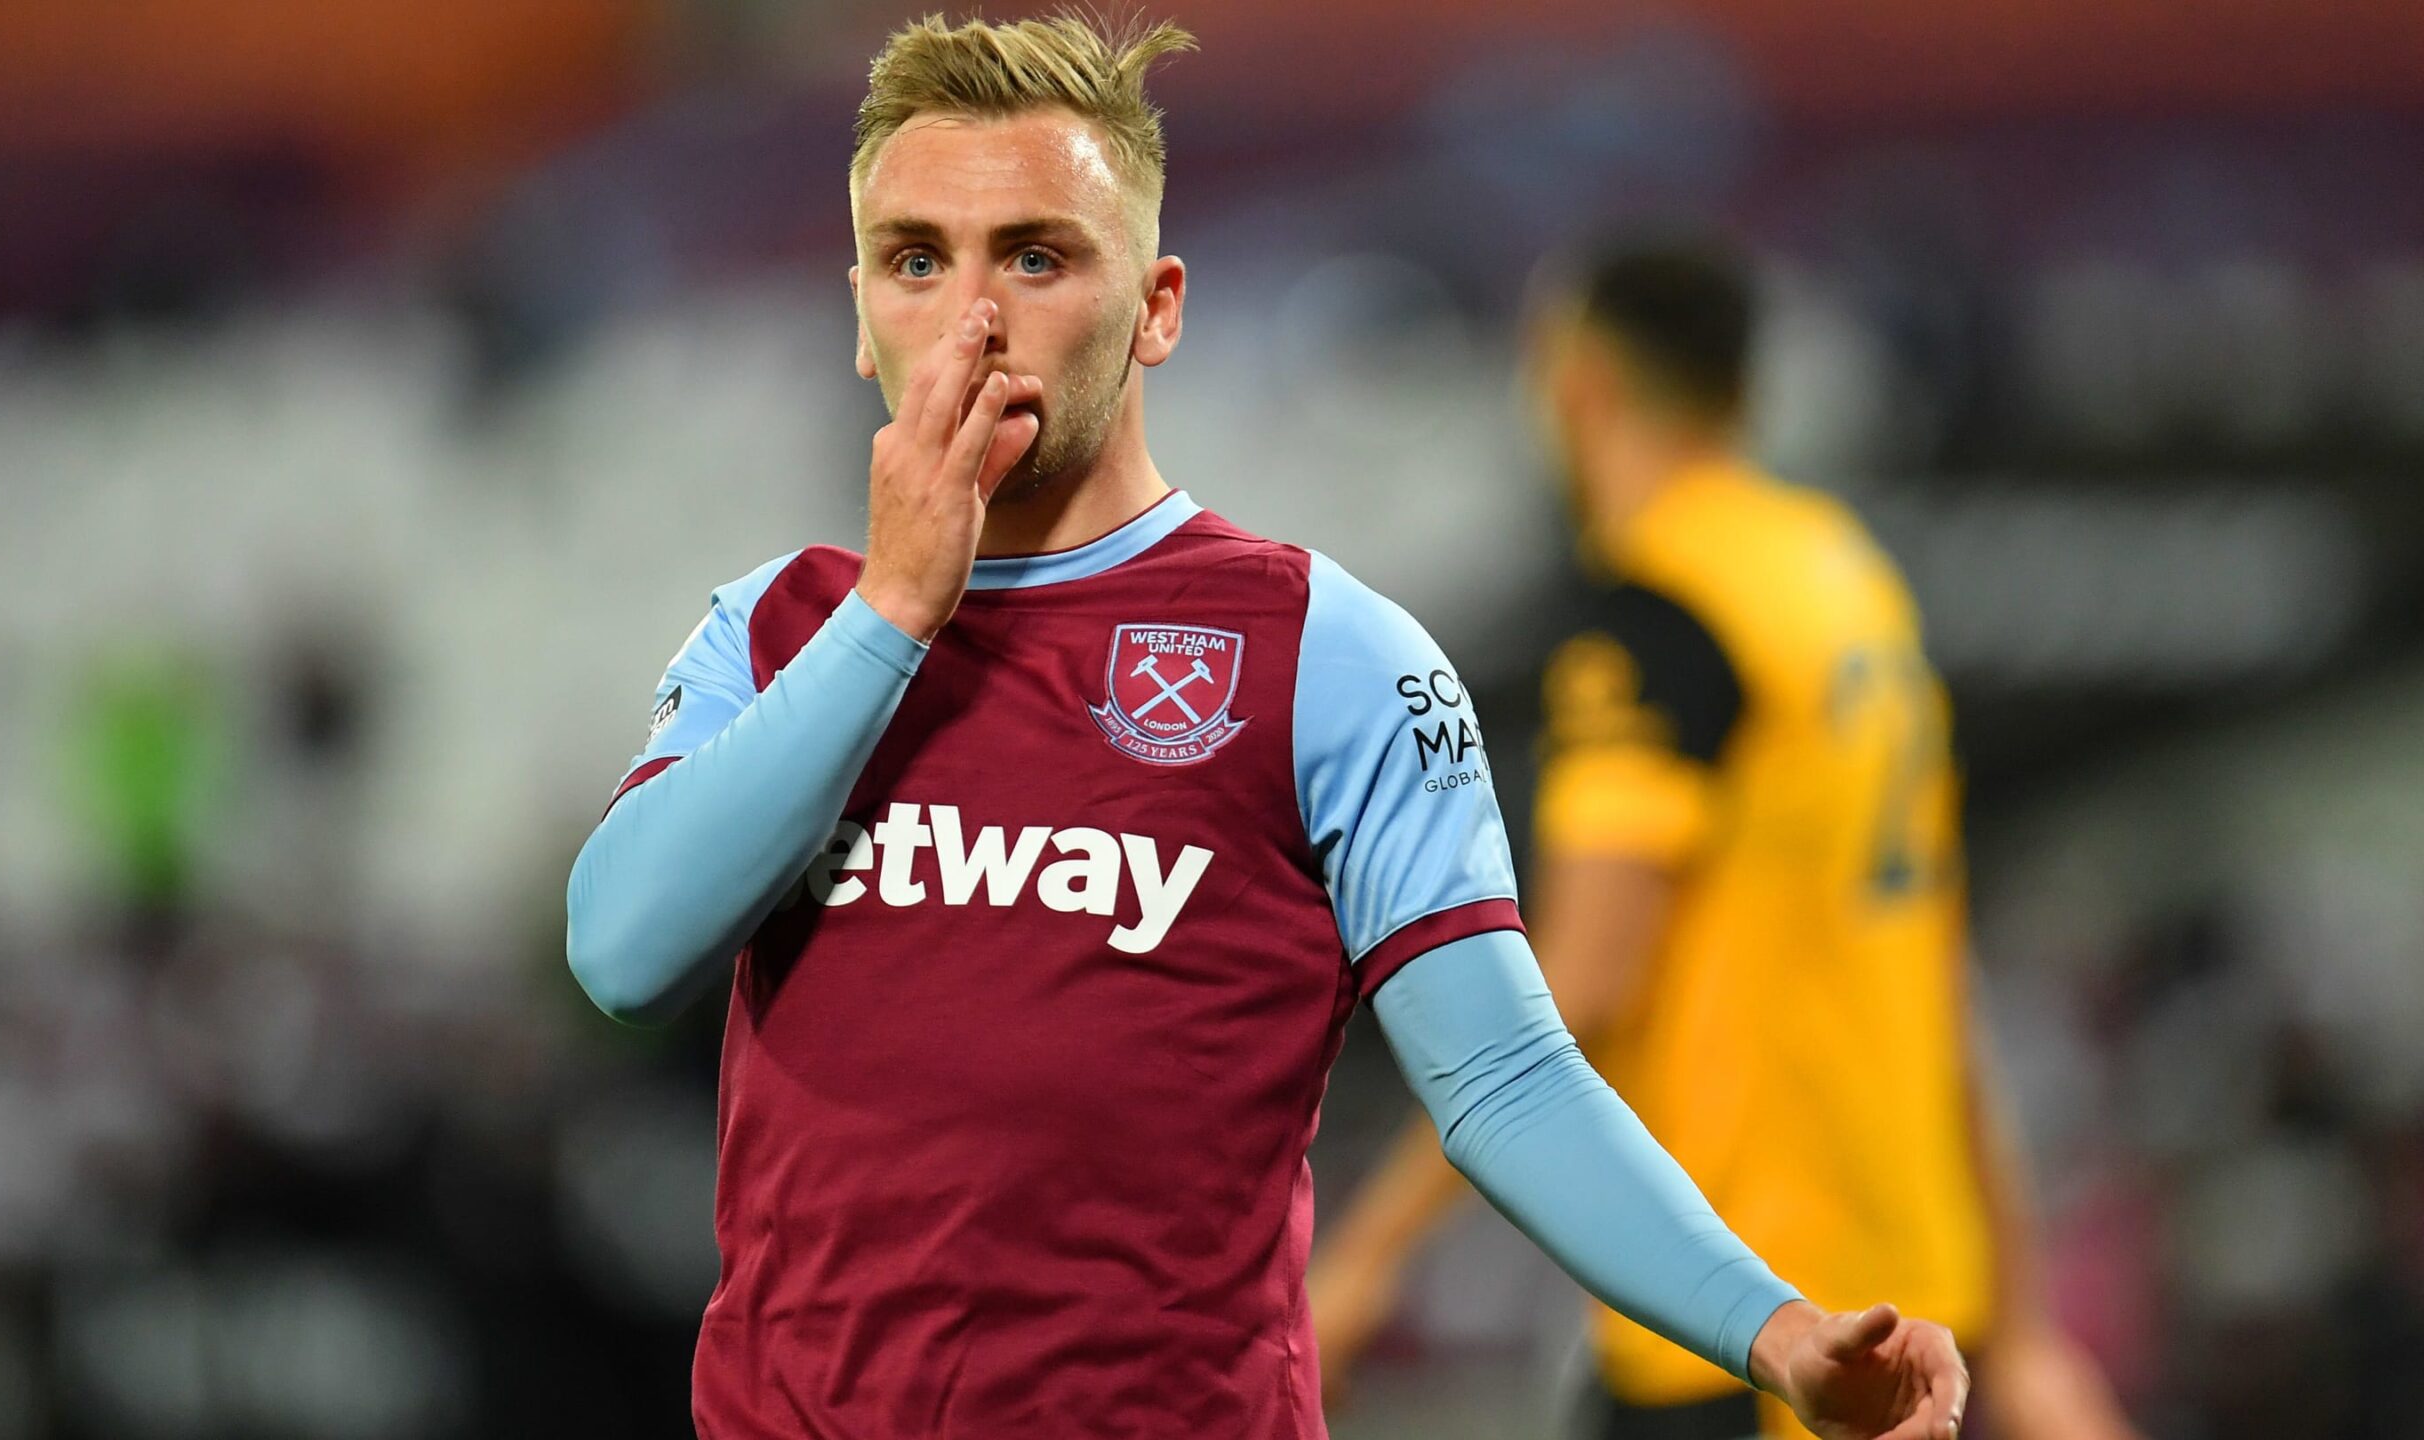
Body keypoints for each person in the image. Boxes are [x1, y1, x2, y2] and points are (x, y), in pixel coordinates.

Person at [564, 16, 1968, 1439]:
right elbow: (622, 953)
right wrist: (896, 612)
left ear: (1157, 307)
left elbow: (1505, 1077)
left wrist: (1774, 1330)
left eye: (1037, 257)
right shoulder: (776, 629)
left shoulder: (1329, 657)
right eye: (918, 260)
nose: (973, 319)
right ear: (861, 313)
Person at [1303, 240, 2138, 1440]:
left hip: (1748, 1321)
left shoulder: (1655, 618)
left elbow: (1579, 991)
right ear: (1743, 387)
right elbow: (1931, 963)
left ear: (1578, 383)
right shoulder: (1845, 582)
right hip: (1914, 1299)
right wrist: (2026, 1324)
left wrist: (1365, 1256)